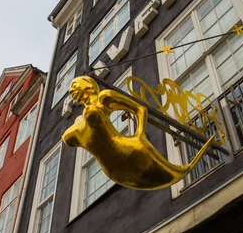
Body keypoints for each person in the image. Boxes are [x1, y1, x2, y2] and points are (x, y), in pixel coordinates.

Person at [61, 76, 215, 190]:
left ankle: (180, 168)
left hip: (128, 152)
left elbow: (140, 109)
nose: (71, 91)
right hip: (113, 171)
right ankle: (180, 169)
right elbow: (67, 139)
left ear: (87, 85)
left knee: (171, 173)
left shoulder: (104, 98)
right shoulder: (79, 120)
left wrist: (139, 134)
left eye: (75, 85)